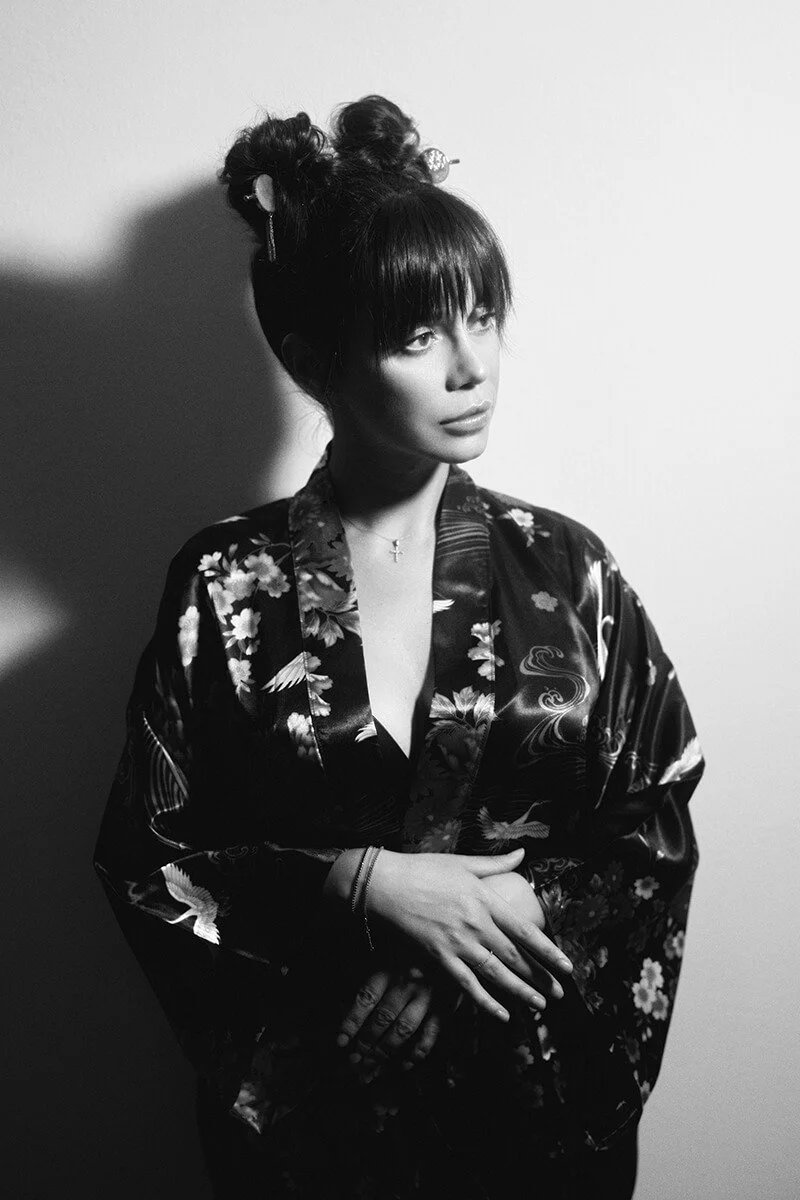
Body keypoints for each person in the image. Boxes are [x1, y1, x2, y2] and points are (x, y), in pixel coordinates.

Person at [94, 95, 703, 1199]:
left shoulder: (568, 572)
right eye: (418, 335)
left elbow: (652, 816)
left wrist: (484, 932)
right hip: (316, 1131)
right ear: (313, 353)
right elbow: (148, 858)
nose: (470, 366)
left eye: (482, 317)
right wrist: (360, 889)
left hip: (530, 1123)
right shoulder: (225, 587)